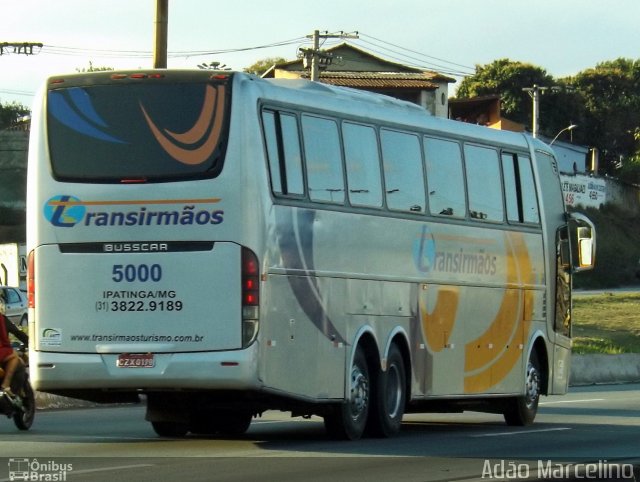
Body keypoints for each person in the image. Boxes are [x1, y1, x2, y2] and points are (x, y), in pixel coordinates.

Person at [0, 290, 28, 400]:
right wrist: (29, 342)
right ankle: (5, 385)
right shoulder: (2, 319)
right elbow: (18, 333)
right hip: (3, 352)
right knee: (15, 357)